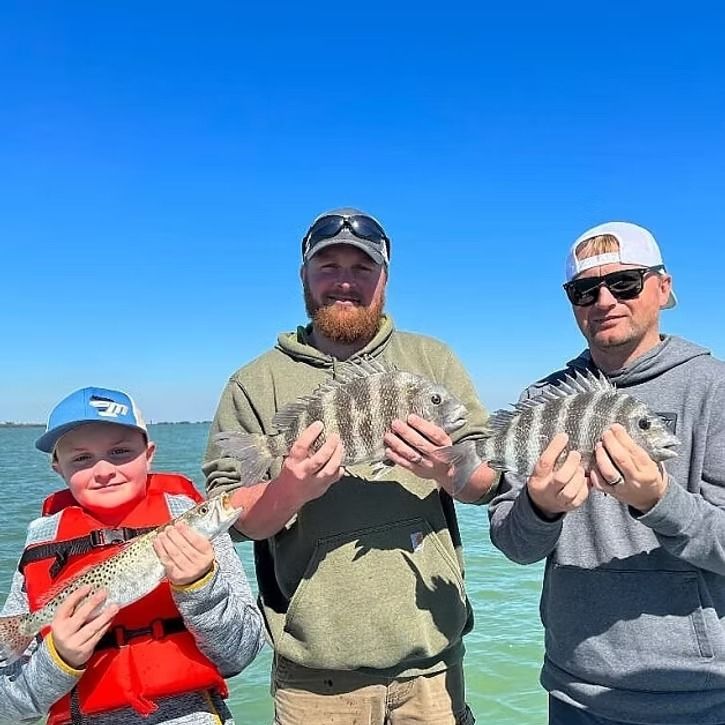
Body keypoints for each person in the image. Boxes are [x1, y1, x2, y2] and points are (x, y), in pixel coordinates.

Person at [203, 208, 499, 725]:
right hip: (314, 683)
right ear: (304, 277)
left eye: (362, 268)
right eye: (328, 266)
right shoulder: (254, 382)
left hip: (433, 666)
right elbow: (233, 517)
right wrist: (289, 490)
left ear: (385, 279)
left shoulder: (433, 360)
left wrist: (447, 469)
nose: (345, 281)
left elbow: (488, 480)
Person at [488, 221, 725, 725]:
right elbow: (514, 546)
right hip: (574, 692)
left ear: (662, 287)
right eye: (584, 290)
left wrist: (661, 501)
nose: (603, 300)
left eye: (625, 283)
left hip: (700, 696)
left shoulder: (715, 390)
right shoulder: (543, 399)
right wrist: (540, 508)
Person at [0, 386, 265, 725]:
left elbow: (241, 654)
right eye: (81, 458)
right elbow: (7, 708)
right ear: (57, 467)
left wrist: (201, 587)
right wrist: (58, 658)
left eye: (121, 451)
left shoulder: (192, 532)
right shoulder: (41, 545)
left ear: (148, 453)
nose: (104, 470)